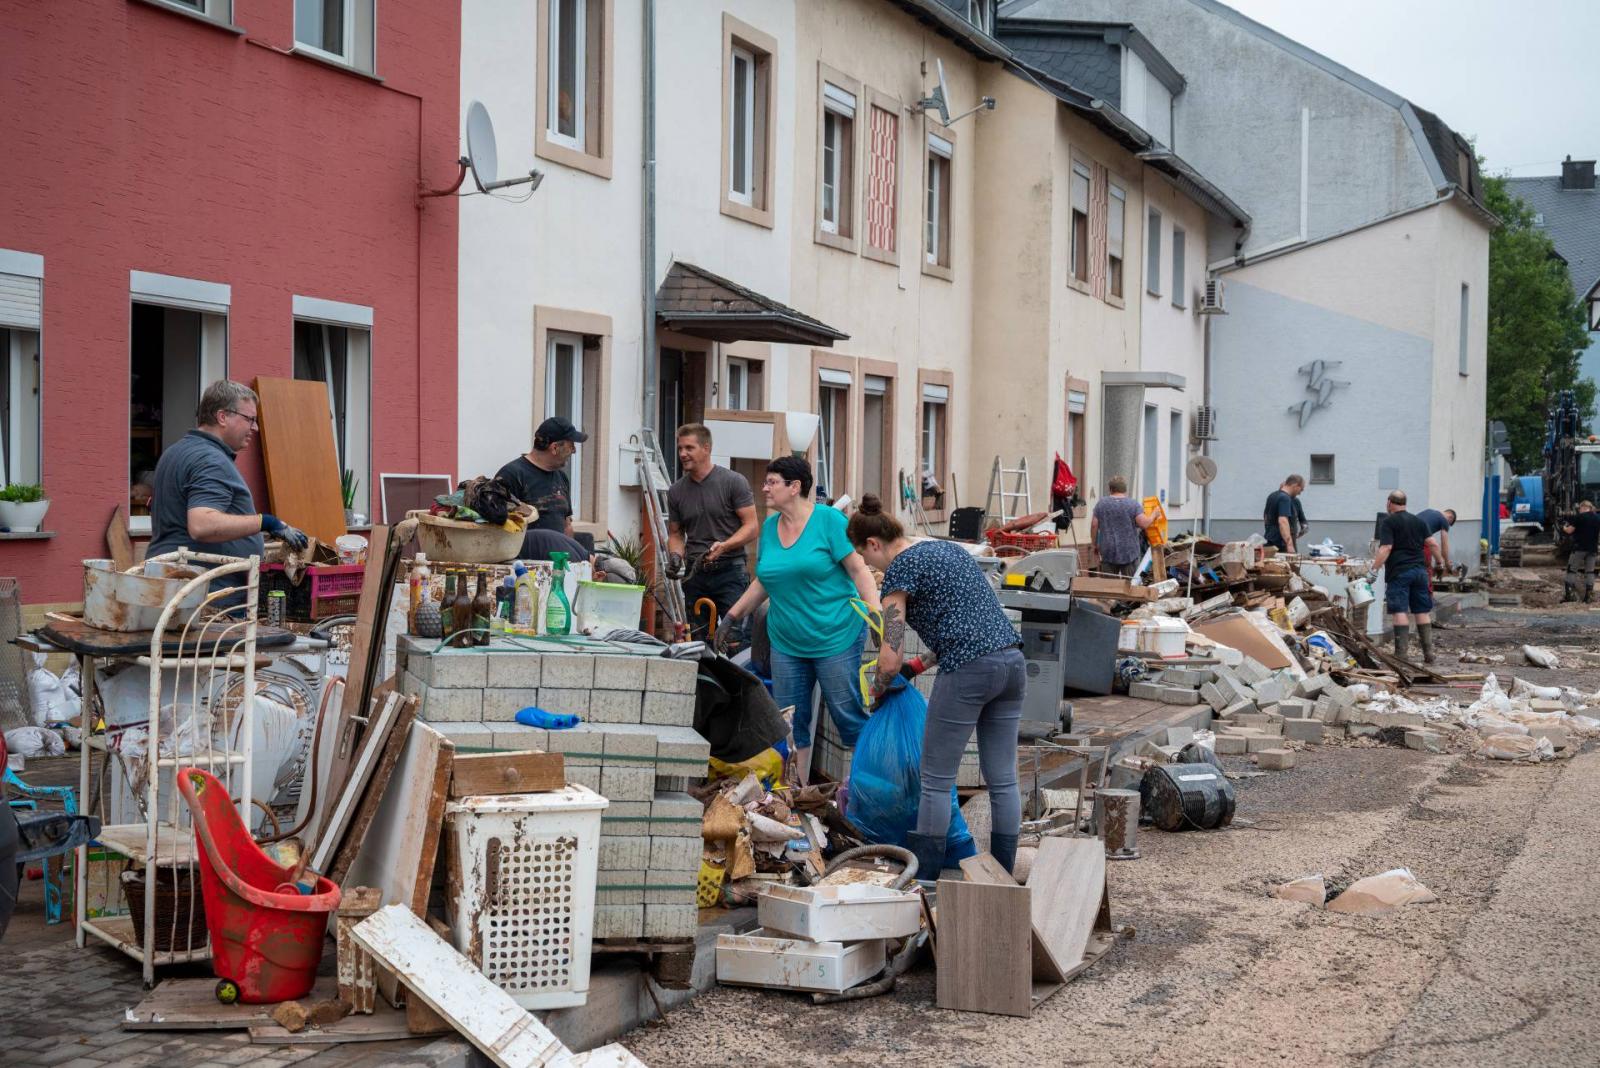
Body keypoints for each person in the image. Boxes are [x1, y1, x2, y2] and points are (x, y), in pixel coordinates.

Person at [848, 495, 1025, 875]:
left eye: (865, 558)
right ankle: (1003, 878)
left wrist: (879, 687)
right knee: (1003, 779)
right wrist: (919, 664)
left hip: (968, 671)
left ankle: (925, 882)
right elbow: (968, 621)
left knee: (935, 780)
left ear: (874, 545)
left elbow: (888, 656)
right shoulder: (948, 551)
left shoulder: (899, 571)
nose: (870, 567)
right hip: (1011, 663)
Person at [721, 456, 880, 785]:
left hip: (835, 634)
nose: (764, 488)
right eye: (766, 482)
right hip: (787, 640)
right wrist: (734, 615)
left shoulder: (828, 521)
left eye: (772, 482)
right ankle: (793, 795)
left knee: (846, 713)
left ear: (795, 487)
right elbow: (765, 580)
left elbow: (858, 569)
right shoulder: (769, 527)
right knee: (790, 721)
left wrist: (877, 614)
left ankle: (868, 790)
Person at [148, 381, 307, 585]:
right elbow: (201, 525)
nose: (255, 428)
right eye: (250, 419)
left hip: (172, 583)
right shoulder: (210, 459)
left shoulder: (175, 452)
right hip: (206, 595)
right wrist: (266, 522)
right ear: (222, 417)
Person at [666, 425, 759, 642]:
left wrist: (724, 546)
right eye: (680, 448)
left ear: (706, 448)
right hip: (695, 574)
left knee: (736, 639)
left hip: (730, 572)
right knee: (697, 641)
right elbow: (676, 534)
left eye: (689, 447)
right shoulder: (676, 491)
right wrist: (675, 556)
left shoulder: (733, 482)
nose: (682, 454)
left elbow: (752, 527)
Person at [495, 417, 594, 562]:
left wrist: (575, 564)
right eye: (571, 445)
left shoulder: (562, 478)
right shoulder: (511, 476)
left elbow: (567, 526)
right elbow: (499, 533)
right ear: (554, 448)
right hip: (527, 570)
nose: (574, 450)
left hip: (559, 568)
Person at [1370, 490, 1434, 662]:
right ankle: (1429, 654)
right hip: (1420, 572)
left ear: (1389, 502)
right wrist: (1441, 562)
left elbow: (1386, 548)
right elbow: (1432, 543)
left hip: (1400, 572)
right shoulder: (1419, 521)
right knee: (1421, 610)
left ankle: (1401, 655)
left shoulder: (1388, 522)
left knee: (1400, 611)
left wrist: (1373, 569)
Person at [1090, 475, 1152, 577]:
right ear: (1125, 490)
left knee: (1110, 587)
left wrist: (1094, 544)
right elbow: (1144, 524)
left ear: (1110, 489)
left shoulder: (1101, 503)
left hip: (1108, 550)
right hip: (1129, 552)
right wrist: (1154, 514)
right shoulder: (1133, 504)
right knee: (1131, 585)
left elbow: (1094, 525)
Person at [1560, 500, 1599, 604]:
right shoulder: (1597, 518)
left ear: (1582, 507)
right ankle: (1588, 597)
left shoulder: (1579, 517)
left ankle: (1570, 595)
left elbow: (1569, 531)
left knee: (1571, 570)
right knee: (1590, 571)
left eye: (1580, 508)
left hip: (1579, 549)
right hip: (1592, 549)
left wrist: (1563, 527)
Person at [1263, 474, 1306, 554]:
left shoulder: (1272, 496)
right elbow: (1283, 521)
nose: (1300, 493)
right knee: (1288, 566)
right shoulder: (1285, 499)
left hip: (1271, 541)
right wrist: (1289, 544)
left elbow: (1266, 517)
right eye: (1301, 489)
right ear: (1295, 486)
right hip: (1282, 544)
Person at [1417, 506, 1457, 574]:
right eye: (1449, 523)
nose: (1448, 525)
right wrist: (1446, 563)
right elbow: (1444, 544)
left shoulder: (1429, 510)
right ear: (1450, 517)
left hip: (1406, 536)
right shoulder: (1444, 520)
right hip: (1419, 541)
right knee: (1426, 569)